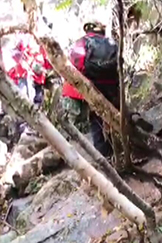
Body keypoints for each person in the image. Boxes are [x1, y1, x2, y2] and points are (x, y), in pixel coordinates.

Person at [61, 20, 119, 157]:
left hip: (93, 84)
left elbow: (76, 63)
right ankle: (116, 147)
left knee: (95, 118)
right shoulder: (111, 42)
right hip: (111, 84)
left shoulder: (82, 42)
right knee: (113, 115)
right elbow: (119, 63)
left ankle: (103, 153)